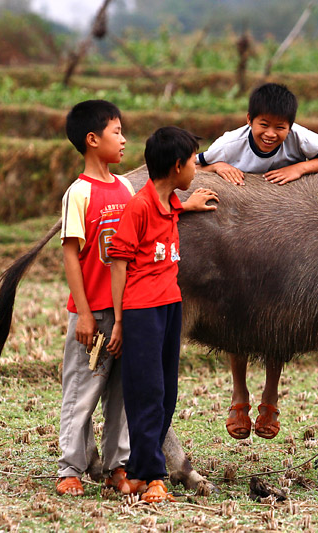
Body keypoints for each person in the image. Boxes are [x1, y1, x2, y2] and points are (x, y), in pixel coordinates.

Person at [56, 102, 216, 497]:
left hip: (128, 308)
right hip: (95, 311)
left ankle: (116, 467)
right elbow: (71, 257)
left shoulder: (125, 188)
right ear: (93, 140)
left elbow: (153, 215)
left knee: (123, 396)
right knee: (83, 389)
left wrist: (184, 204)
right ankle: (70, 468)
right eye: (116, 132)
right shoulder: (79, 193)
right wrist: (87, 315)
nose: (124, 138)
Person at [196, 82, 318, 441]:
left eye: (280, 127)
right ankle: (239, 395)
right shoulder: (230, 143)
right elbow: (193, 163)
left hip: (285, 234)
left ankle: (270, 394)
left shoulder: (300, 139)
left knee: (278, 315)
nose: (271, 134)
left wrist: (300, 169)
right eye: (263, 125)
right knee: (235, 314)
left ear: (291, 127)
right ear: (249, 120)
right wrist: (219, 167)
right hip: (238, 236)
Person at [109, 126, 206, 503]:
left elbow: (170, 213)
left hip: (170, 305)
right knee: (146, 392)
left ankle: (136, 472)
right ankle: (153, 477)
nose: (197, 167)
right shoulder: (140, 206)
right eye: (194, 160)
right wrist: (119, 321)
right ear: (178, 166)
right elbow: (119, 263)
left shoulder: (168, 204)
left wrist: (188, 205)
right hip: (142, 310)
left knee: (166, 392)